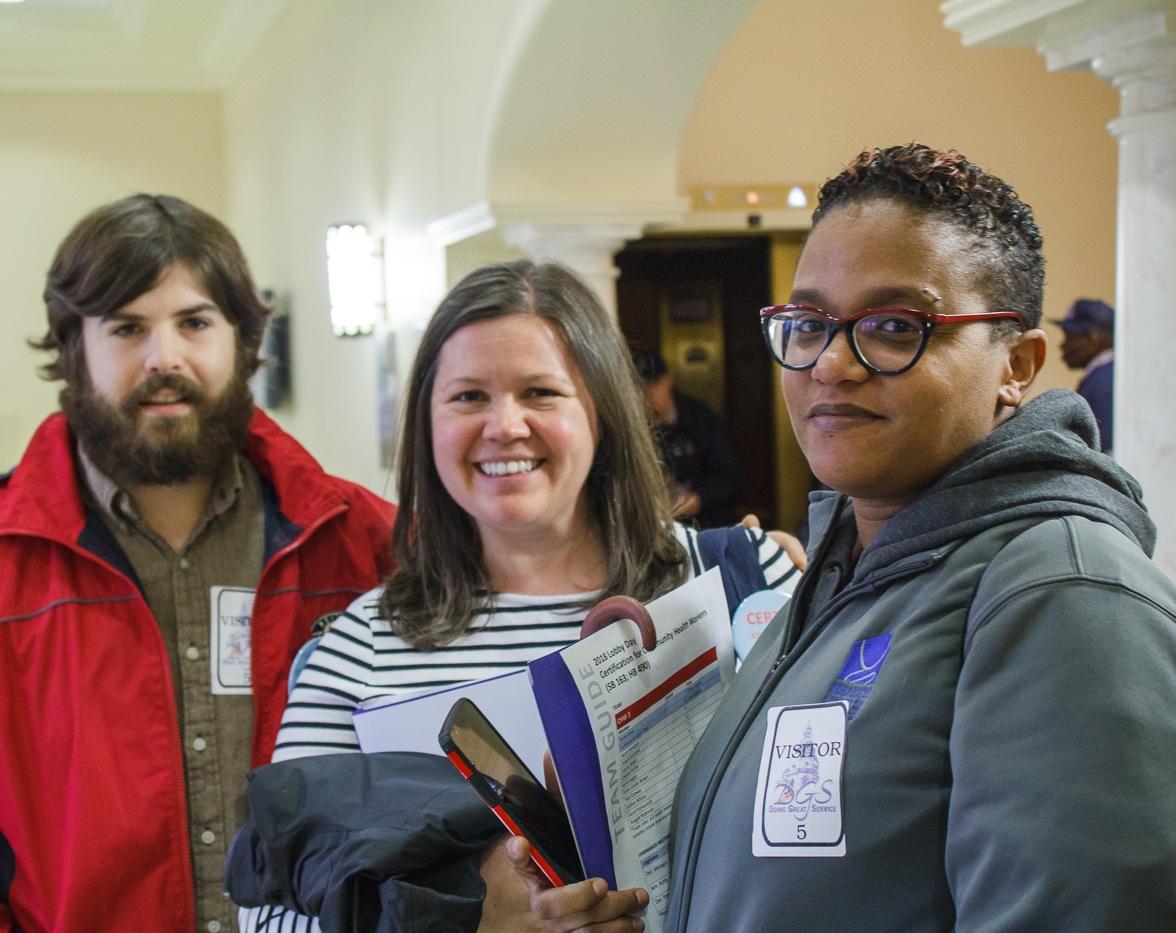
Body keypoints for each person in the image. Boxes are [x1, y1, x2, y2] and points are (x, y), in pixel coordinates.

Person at [523, 144, 1176, 931]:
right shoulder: (844, 568)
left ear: (1017, 363)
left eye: (895, 326)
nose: (831, 363)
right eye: (808, 324)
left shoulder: (1059, 594)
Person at [0, 194, 397, 933]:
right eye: (127, 328)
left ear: (242, 340)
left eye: (195, 323)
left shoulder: (360, 540)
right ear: (75, 349)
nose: (164, 357)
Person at [241, 260, 801, 932]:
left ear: (602, 412)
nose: (504, 425)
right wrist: (468, 919)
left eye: (540, 392)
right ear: (426, 424)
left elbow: (849, 825)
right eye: (468, 397)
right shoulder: (359, 648)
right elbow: (269, 911)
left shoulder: (743, 582)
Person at [631, 347, 742, 526]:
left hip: (703, 524)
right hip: (653, 525)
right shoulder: (630, 426)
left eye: (654, 384)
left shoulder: (701, 419)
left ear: (667, 381)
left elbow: (729, 476)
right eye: (639, 387)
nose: (647, 394)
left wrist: (698, 497)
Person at [1055, 297, 1115, 453]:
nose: (1062, 345)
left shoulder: (1102, 381)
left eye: (1070, 337)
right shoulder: (1110, 373)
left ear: (1093, 337)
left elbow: (1107, 452)